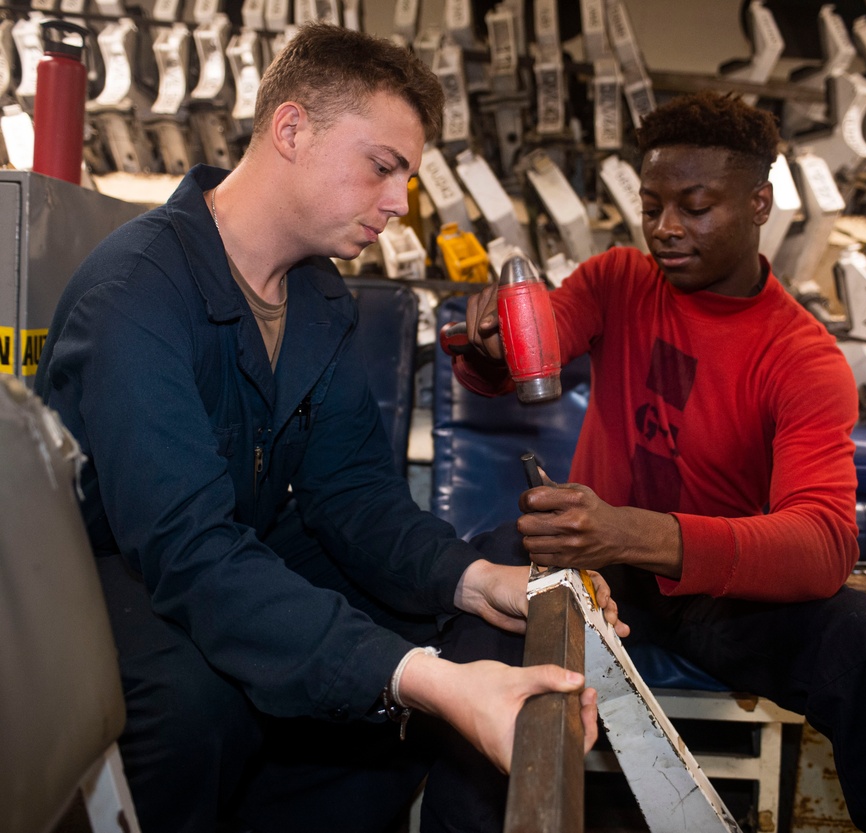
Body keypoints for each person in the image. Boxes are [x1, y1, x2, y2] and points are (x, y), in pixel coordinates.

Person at [35, 22, 627, 833]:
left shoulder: (315, 294)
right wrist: (417, 677)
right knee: (195, 701)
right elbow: (191, 551)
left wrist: (478, 578)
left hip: (235, 544)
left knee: (455, 623)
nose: (397, 202)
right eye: (382, 167)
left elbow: (353, 492)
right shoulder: (134, 296)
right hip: (121, 571)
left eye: (407, 177)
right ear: (291, 129)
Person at [452, 91, 866, 833]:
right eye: (652, 203)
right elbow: (542, 337)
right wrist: (495, 340)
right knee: (481, 577)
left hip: (712, 598)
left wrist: (629, 531)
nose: (664, 228)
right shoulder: (618, 279)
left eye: (694, 206)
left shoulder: (802, 357)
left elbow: (823, 543)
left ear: (759, 203)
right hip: (600, 576)